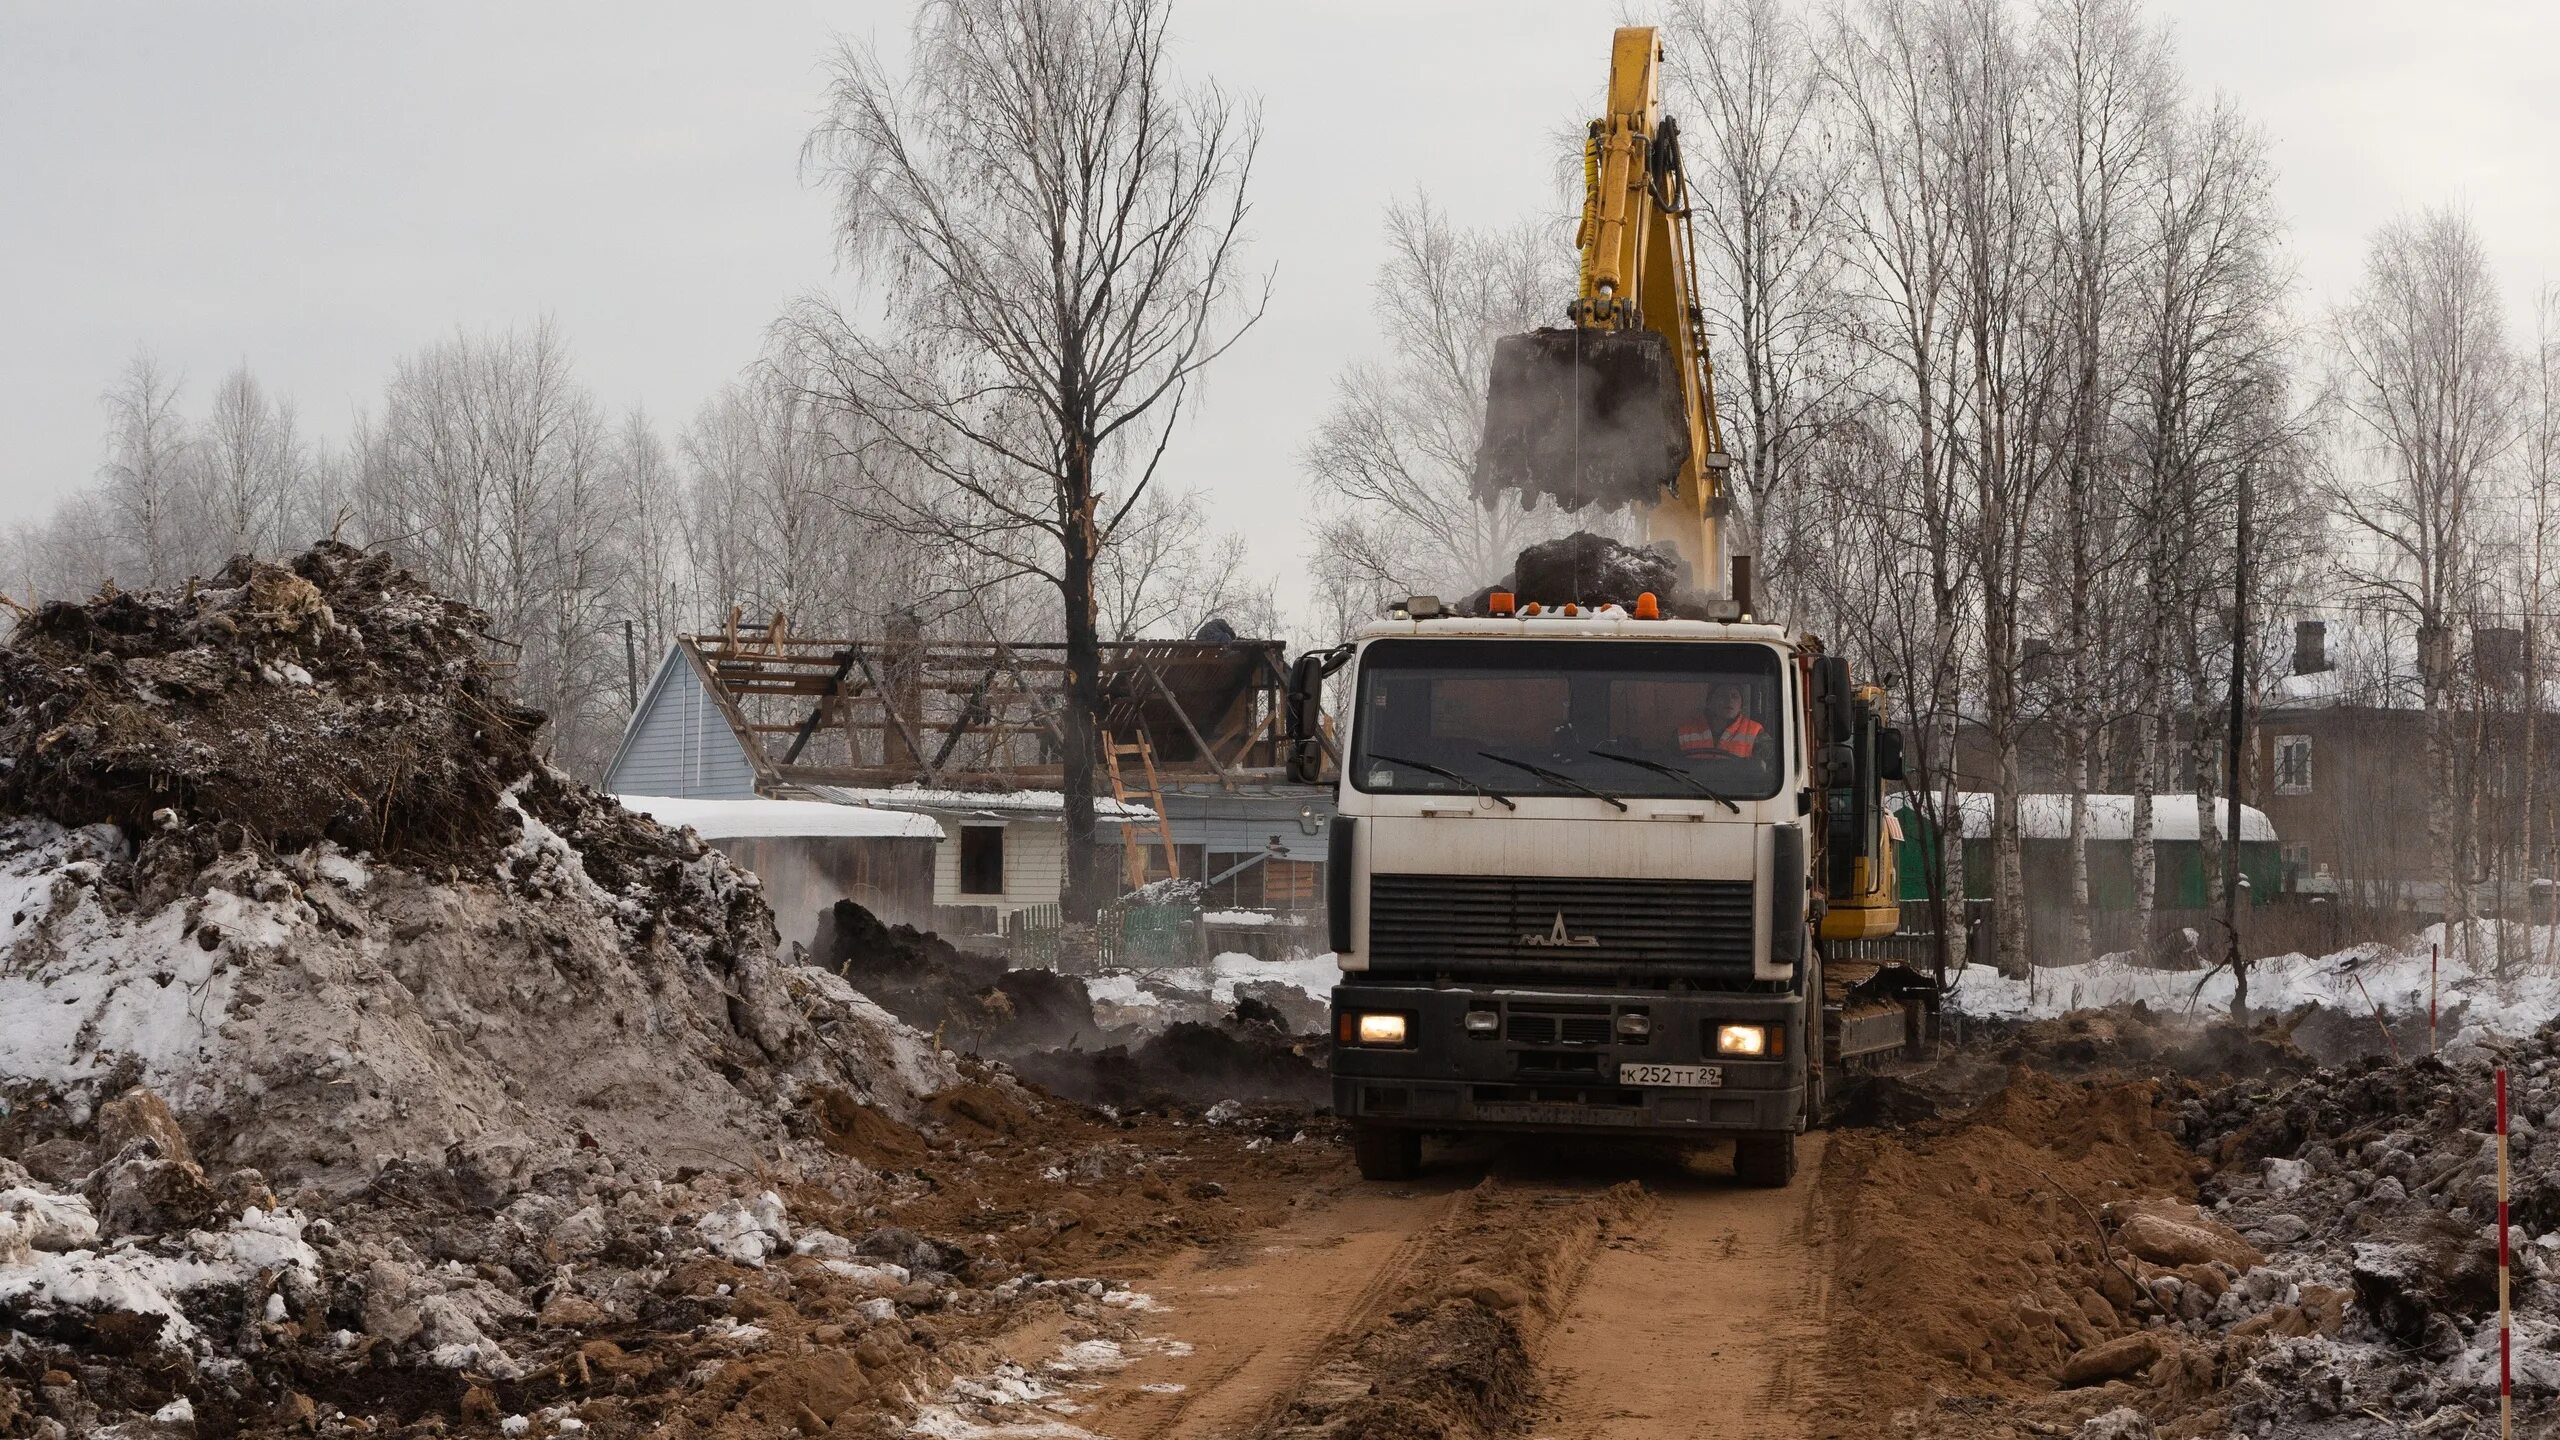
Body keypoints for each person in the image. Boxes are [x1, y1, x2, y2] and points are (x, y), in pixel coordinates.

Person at [1679, 682, 1763, 760]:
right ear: (1709, 702)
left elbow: (1771, 767)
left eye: (1734, 696)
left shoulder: (1755, 732)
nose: (1729, 700)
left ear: (1741, 705)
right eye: (1722, 695)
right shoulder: (1683, 734)